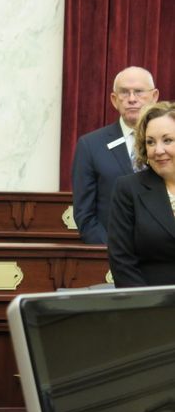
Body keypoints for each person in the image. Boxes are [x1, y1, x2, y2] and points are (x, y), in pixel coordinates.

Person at [73, 66, 159, 244]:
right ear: (114, 99)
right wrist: (113, 252)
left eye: (139, 92)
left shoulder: (169, 142)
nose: (132, 99)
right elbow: (85, 213)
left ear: (154, 97)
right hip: (112, 257)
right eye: (124, 93)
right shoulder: (90, 145)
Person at [108, 101, 175, 287]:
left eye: (167, 140)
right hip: (150, 306)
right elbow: (121, 261)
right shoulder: (128, 189)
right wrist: (147, 308)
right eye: (150, 142)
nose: (158, 150)